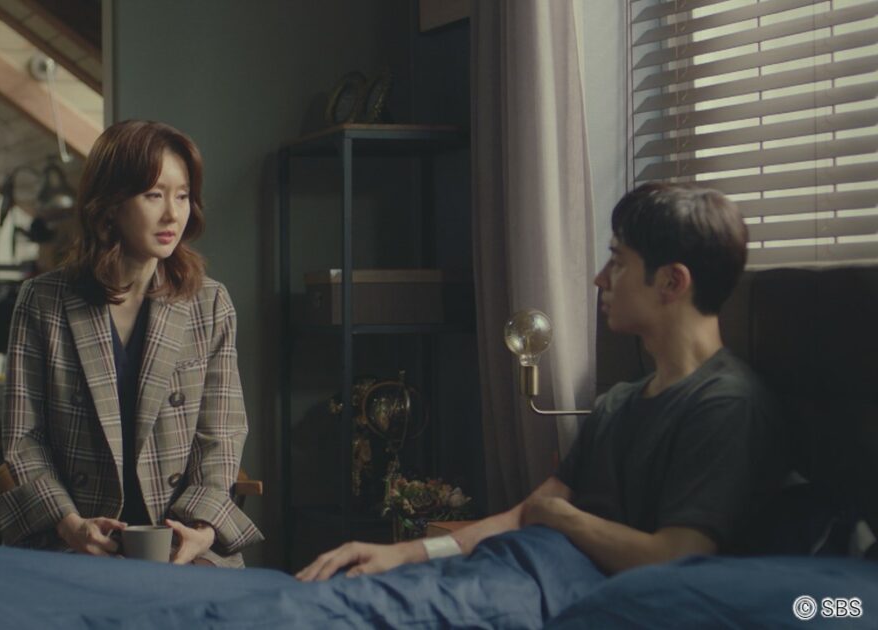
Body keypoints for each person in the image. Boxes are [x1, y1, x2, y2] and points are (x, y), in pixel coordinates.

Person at [298, 182, 779, 581]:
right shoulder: (618, 404)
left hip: (561, 589)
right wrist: (405, 554)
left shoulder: (725, 406)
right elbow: (524, 514)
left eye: (617, 262)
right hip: (515, 566)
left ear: (672, 282)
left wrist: (565, 519)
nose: (599, 279)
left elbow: (675, 556)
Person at [0, 120, 263, 568]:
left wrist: (202, 529)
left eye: (182, 195)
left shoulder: (209, 303)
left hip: (180, 540)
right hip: (72, 539)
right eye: (154, 195)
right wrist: (68, 523)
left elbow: (221, 435)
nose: (173, 215)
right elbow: (25, 438)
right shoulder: (42, 301)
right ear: (110, 206)